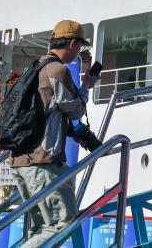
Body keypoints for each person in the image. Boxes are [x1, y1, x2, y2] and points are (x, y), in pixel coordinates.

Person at [10, 20, 98, 248]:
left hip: (21, 161)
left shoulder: (34, 68)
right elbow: (75, 109)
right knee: (62, 224)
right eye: (80, 46)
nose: (79, 52)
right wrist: (86, 85)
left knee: (42, 228)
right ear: (72, 43)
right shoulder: (57, 71)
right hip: (43, 163)